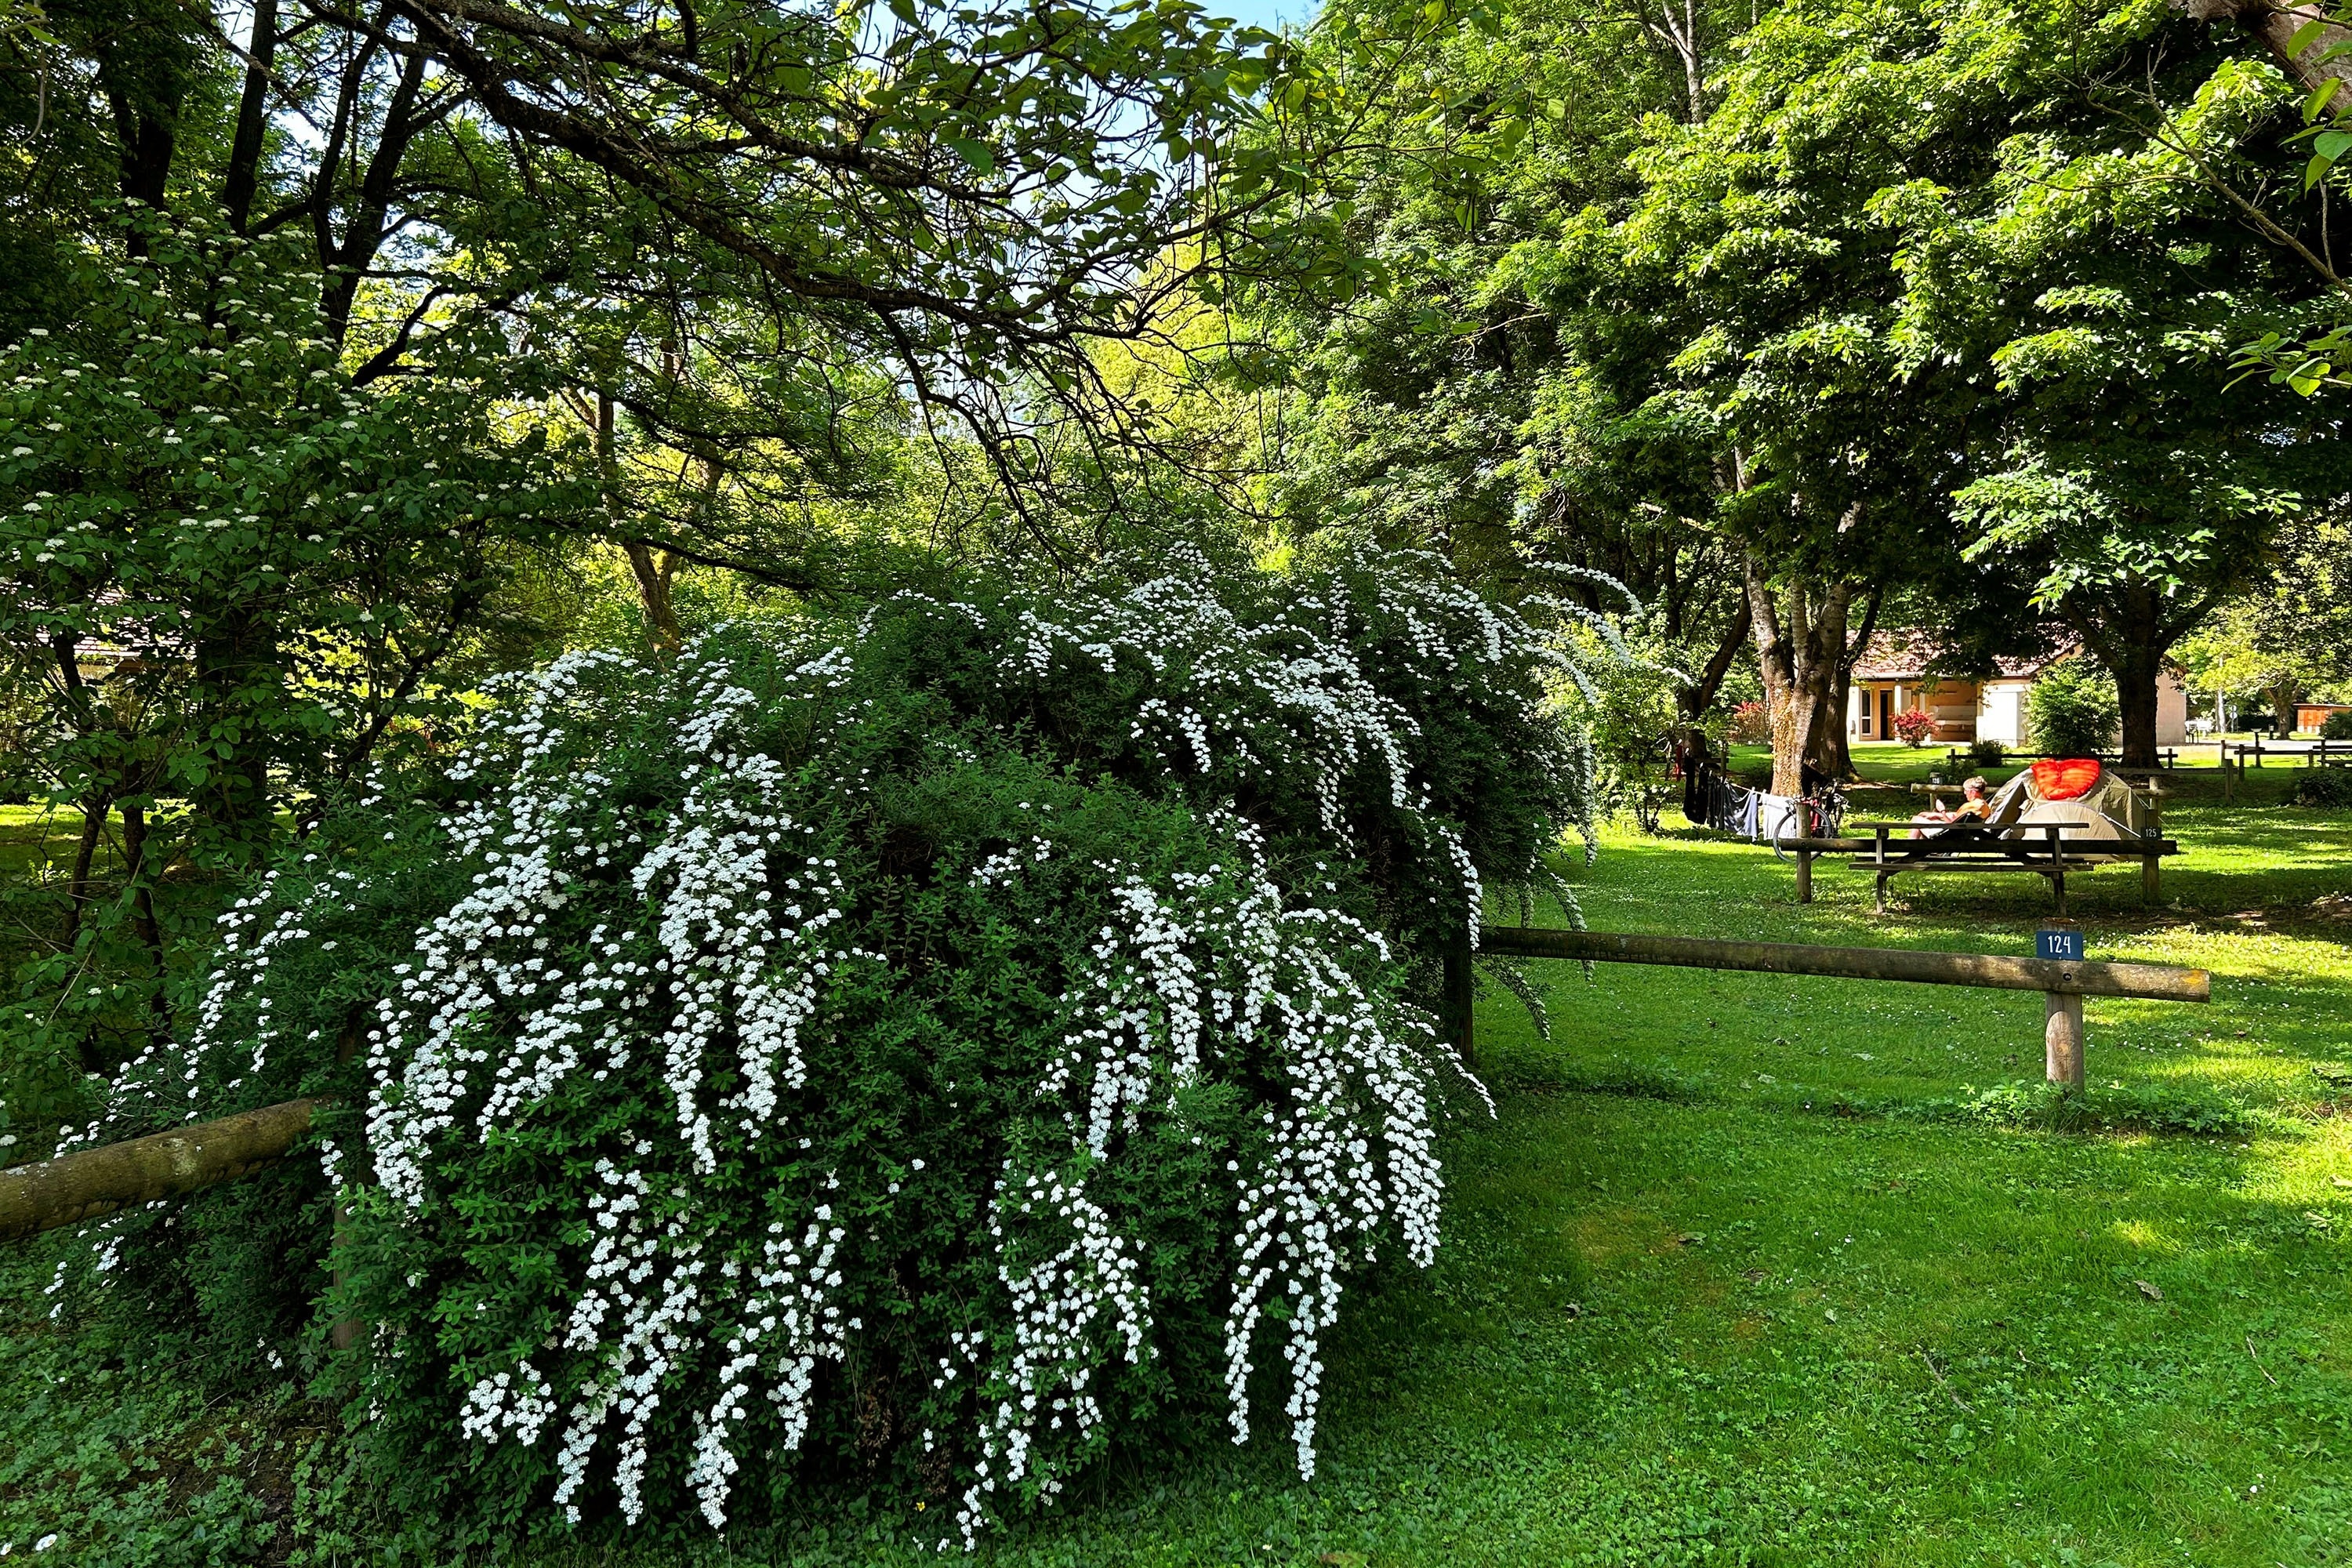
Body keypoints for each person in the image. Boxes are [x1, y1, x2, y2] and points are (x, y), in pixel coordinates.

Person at [1911, 775, 1991, 829]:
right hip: (1964, 833)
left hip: (1952, 834)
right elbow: (1958, 817)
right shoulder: (1984, 805)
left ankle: (1912, 849)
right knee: (1926, 818)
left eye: (1966, 790)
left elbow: (1951, 824)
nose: (1965, 793)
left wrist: (1942, 810)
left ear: (1973, 792)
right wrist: (1935, 815)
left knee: (1916, 819)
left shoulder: (1970, 805)